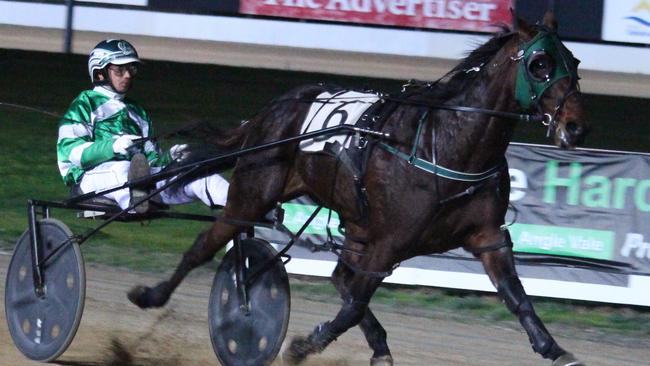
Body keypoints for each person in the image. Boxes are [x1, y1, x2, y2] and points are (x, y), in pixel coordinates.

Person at [56, 39, 229, 213]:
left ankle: (245, 222)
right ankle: (138, 203)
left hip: (138, 179)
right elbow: (73, 152)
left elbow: (151, 162)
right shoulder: (84, 103)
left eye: (131, 68)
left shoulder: (138, 112)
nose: (128, 75)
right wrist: (113, 147)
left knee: (201, 176)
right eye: (119, 69)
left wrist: (171, 156)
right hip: (89, 180)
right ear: (100, 72)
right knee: (123, 169)